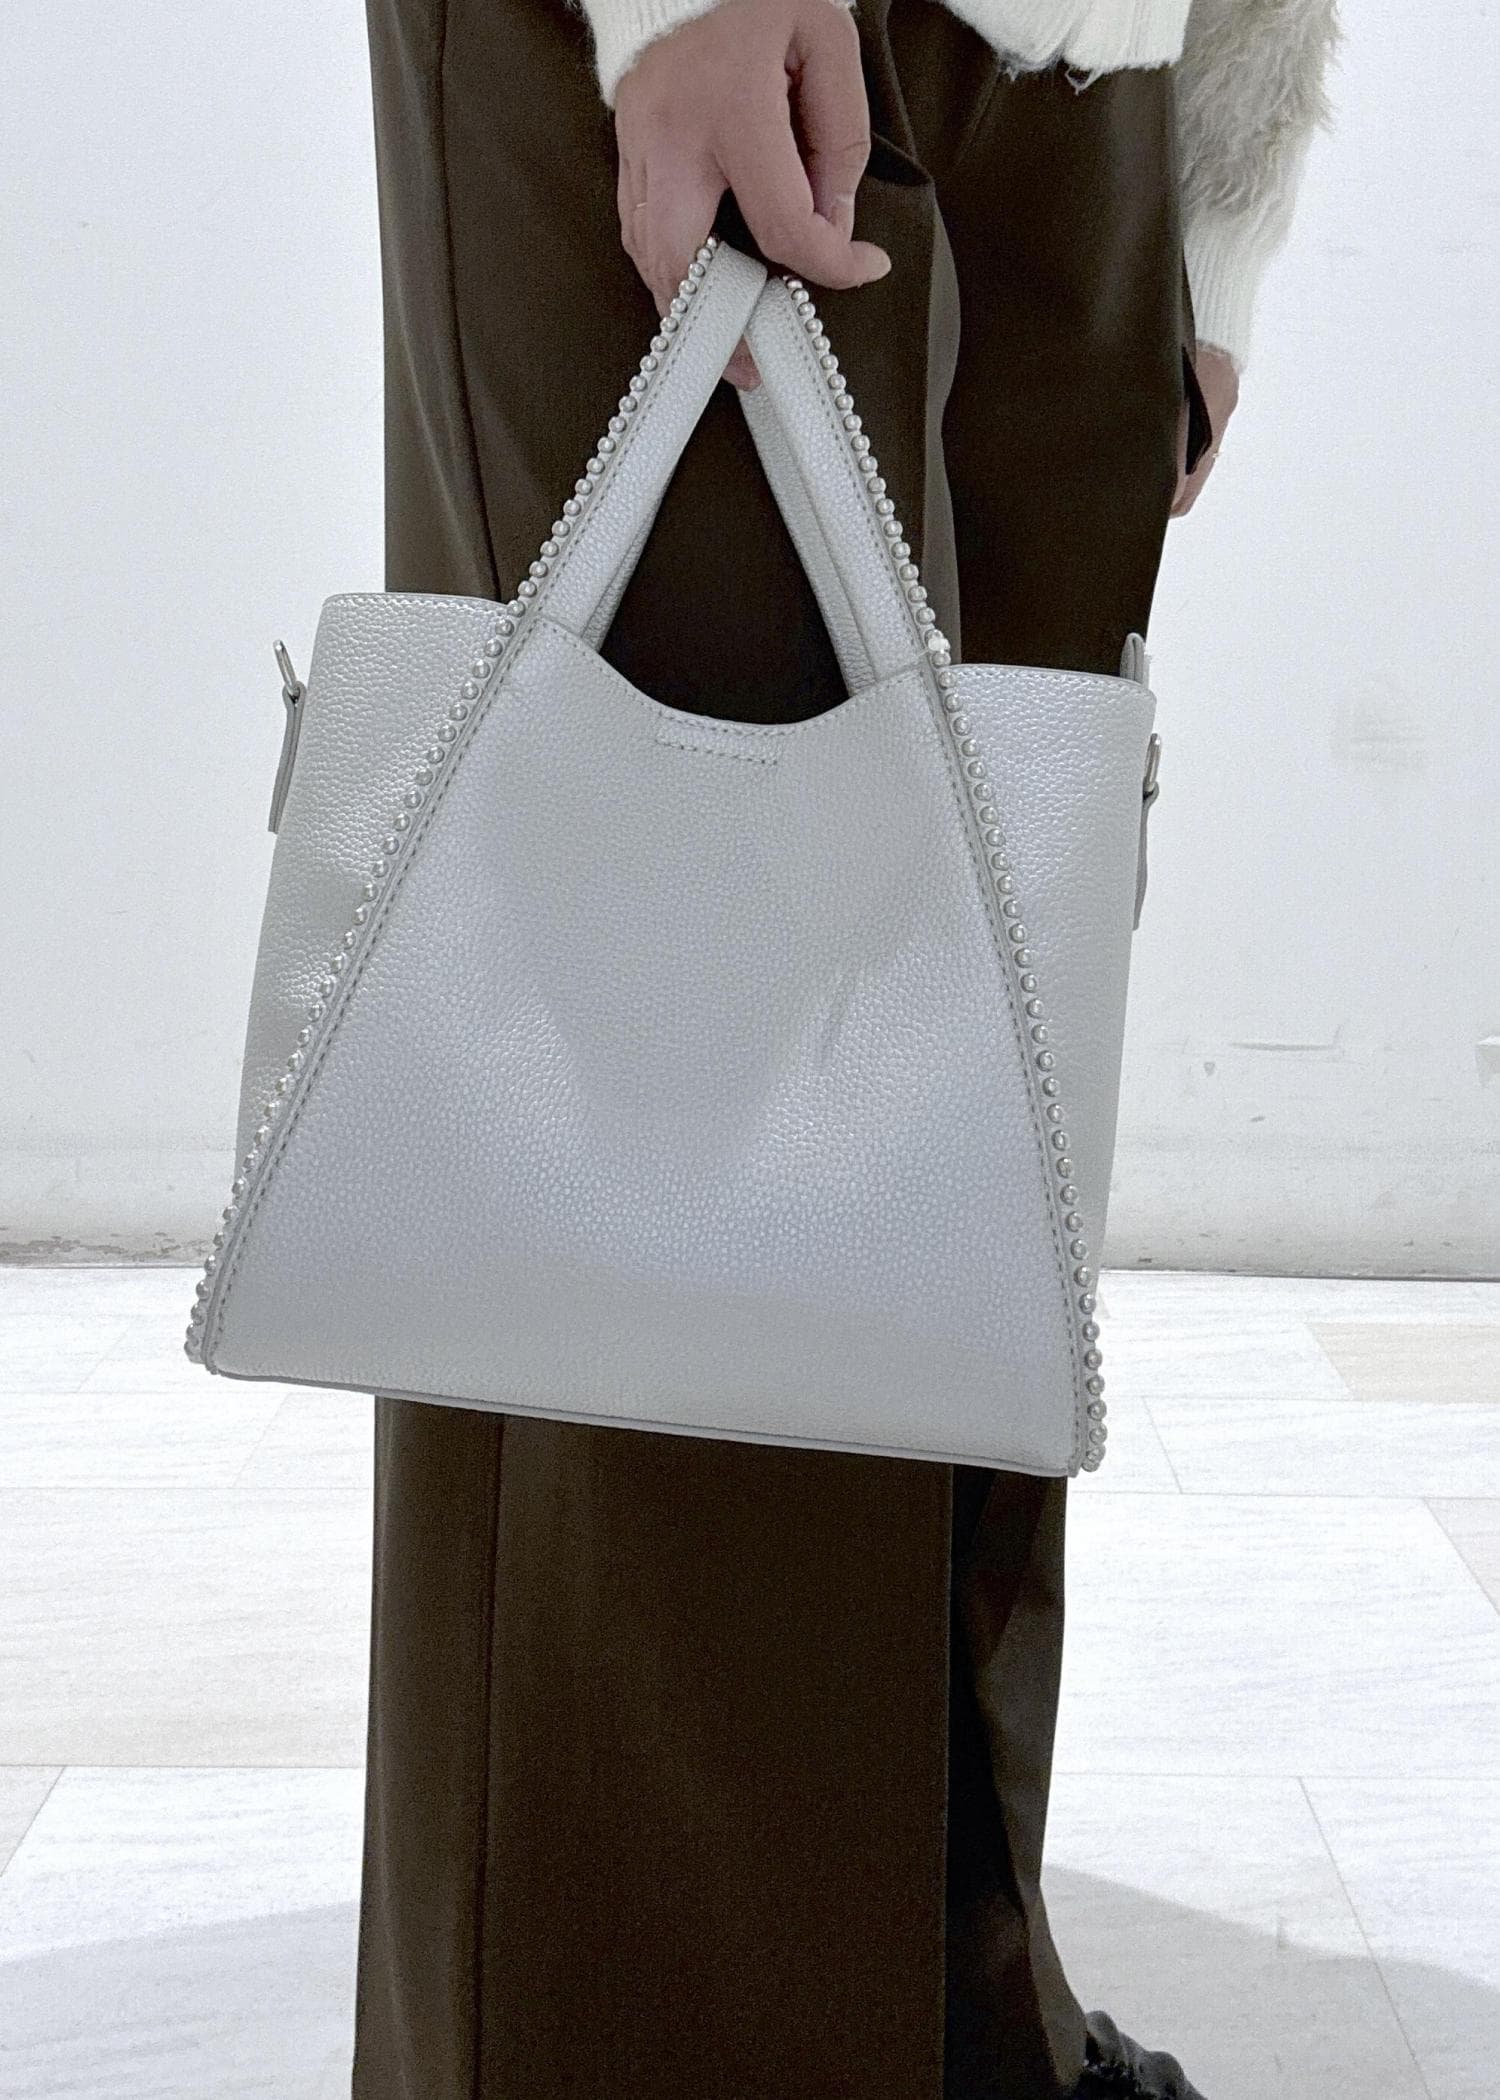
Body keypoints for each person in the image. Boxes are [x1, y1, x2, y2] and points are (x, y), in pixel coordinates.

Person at [351, 2, 1338, 2095]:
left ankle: (960, 2021)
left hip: (1102, 56)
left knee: (960, 1141)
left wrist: (1217, 195)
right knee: (677, 1153)